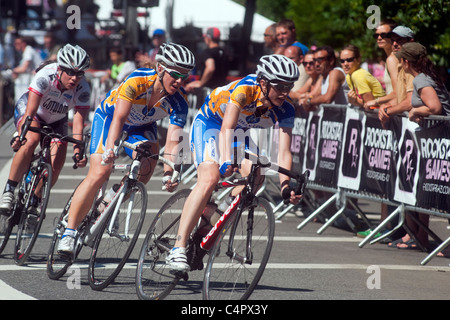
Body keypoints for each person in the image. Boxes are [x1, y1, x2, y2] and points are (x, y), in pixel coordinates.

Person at [166, 54, 303, 272]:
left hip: (239, 133)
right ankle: (178, 248)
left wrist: (286, 185)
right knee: (209, 178)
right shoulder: (245, 90)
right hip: (211, 125)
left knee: (258, 172)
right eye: (280, 86)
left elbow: (284, 151)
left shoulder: (285, 108)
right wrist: (226, 160)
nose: (286, 92)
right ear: (264, 82)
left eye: (290, 86)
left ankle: (211, 221)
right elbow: (226, 129)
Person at [57, 43, 196, 255]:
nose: (179, 81)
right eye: (175, 74)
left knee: (149, 163)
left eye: (184, 77)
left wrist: (169, 172)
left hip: (141, 127)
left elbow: (172, 141)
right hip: (110, 119)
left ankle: (113, 196)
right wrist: (110, 149)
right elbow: (120, 118)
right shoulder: (138, 80)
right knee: (100, 171)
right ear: (160, 68)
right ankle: (69, 232)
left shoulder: (179, 102)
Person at [0, 44, 91, 213]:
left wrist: (79, 151)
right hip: (33, 112)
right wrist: (21, 135)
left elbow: (78, 123)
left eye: (79, 74)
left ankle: (36, 197)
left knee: (57, 163)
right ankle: (9, 190)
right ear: (60, 69)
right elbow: (31, 111)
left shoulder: (83, 88)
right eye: (70, 72)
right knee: (31, 140)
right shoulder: (45, 76)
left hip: (57, 120)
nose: (74, 78)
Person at [394, 42, 450, 251]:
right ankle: (421, 238)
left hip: (439, 141)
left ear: (406, 61)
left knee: (440, 192)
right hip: (435, 140)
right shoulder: (429, 76)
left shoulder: (420, 79)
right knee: (426, 190)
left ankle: (423, 238)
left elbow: (435, 107)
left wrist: (416, 112)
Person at [298, 45, 348, 110]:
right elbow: (314, 95)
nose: (316, 64)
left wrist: (308, 101)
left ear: (331, 61)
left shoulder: (335, 72)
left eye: (320, 60)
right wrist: (307, 100)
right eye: (314, 60)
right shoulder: (323, 76)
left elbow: (327, 98)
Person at [340, 44, 385, 108]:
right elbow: (365, 104)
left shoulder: (358, 75)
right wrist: (354, 101)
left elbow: (371, 106)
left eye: (349, 60)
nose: (345, 64)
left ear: (358, 60)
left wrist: (354, 101)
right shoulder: (349, 76)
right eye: (342, 61)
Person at [185, 27, 229, 92]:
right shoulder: (225, 52)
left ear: (208, 38)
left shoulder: (207, 52)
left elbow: (210, 68)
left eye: (205, 37)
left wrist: (201, 83)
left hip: (209, 92)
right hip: (223, 91)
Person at [11, 36, 43, 100]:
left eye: (17, 43)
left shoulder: (28, 50)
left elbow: (24, 68)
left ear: (24, 43)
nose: (15, 45)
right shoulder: (27, 51)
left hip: (35, 80)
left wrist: (14, 71)